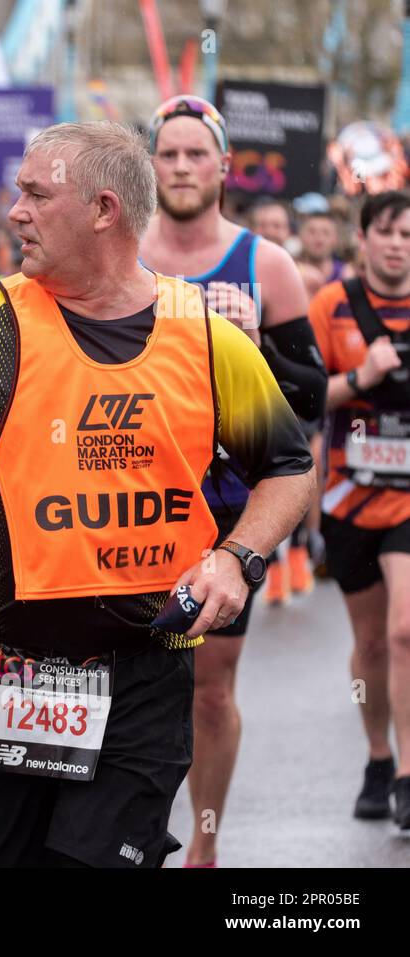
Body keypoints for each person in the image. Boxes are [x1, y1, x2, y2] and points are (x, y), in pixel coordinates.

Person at [0, 121, 314, 868]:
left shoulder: (204, 335)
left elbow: (291, 466)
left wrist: (238, 558)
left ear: (104, 209)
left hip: (144, 661)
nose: (14, 212)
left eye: (37, 194)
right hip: (4, 663)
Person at [138, 95, 325, 867]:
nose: (181, 166)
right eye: (169, 153)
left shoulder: (265, 263)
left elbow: (312, 396)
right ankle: (132, 835)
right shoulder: (121, 254)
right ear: (150, 165)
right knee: (137, 687)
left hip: (227, 508)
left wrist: (258, 350)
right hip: (129, 495)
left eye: (195, 154)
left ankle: (204, 848)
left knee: (209, 688)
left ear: (222, 168)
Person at [309, 189, 410, 831]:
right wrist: (360, 381)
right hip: (348, 496)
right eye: (388, 232)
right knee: (368, 645)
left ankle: (407, 777)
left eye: (409, 234)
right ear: (365, 238)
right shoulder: (330, 305)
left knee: (405, 631)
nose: (399, 243)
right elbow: (301, 392)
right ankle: (378, 756)